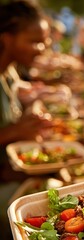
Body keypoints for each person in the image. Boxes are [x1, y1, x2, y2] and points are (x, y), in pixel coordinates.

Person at [0, 1, 53, 239]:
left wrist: (31, 114)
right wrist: (13, 132)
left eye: (44, 40)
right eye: (34, 41)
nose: (42, 48)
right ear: (7, 38)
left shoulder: (9, 72)